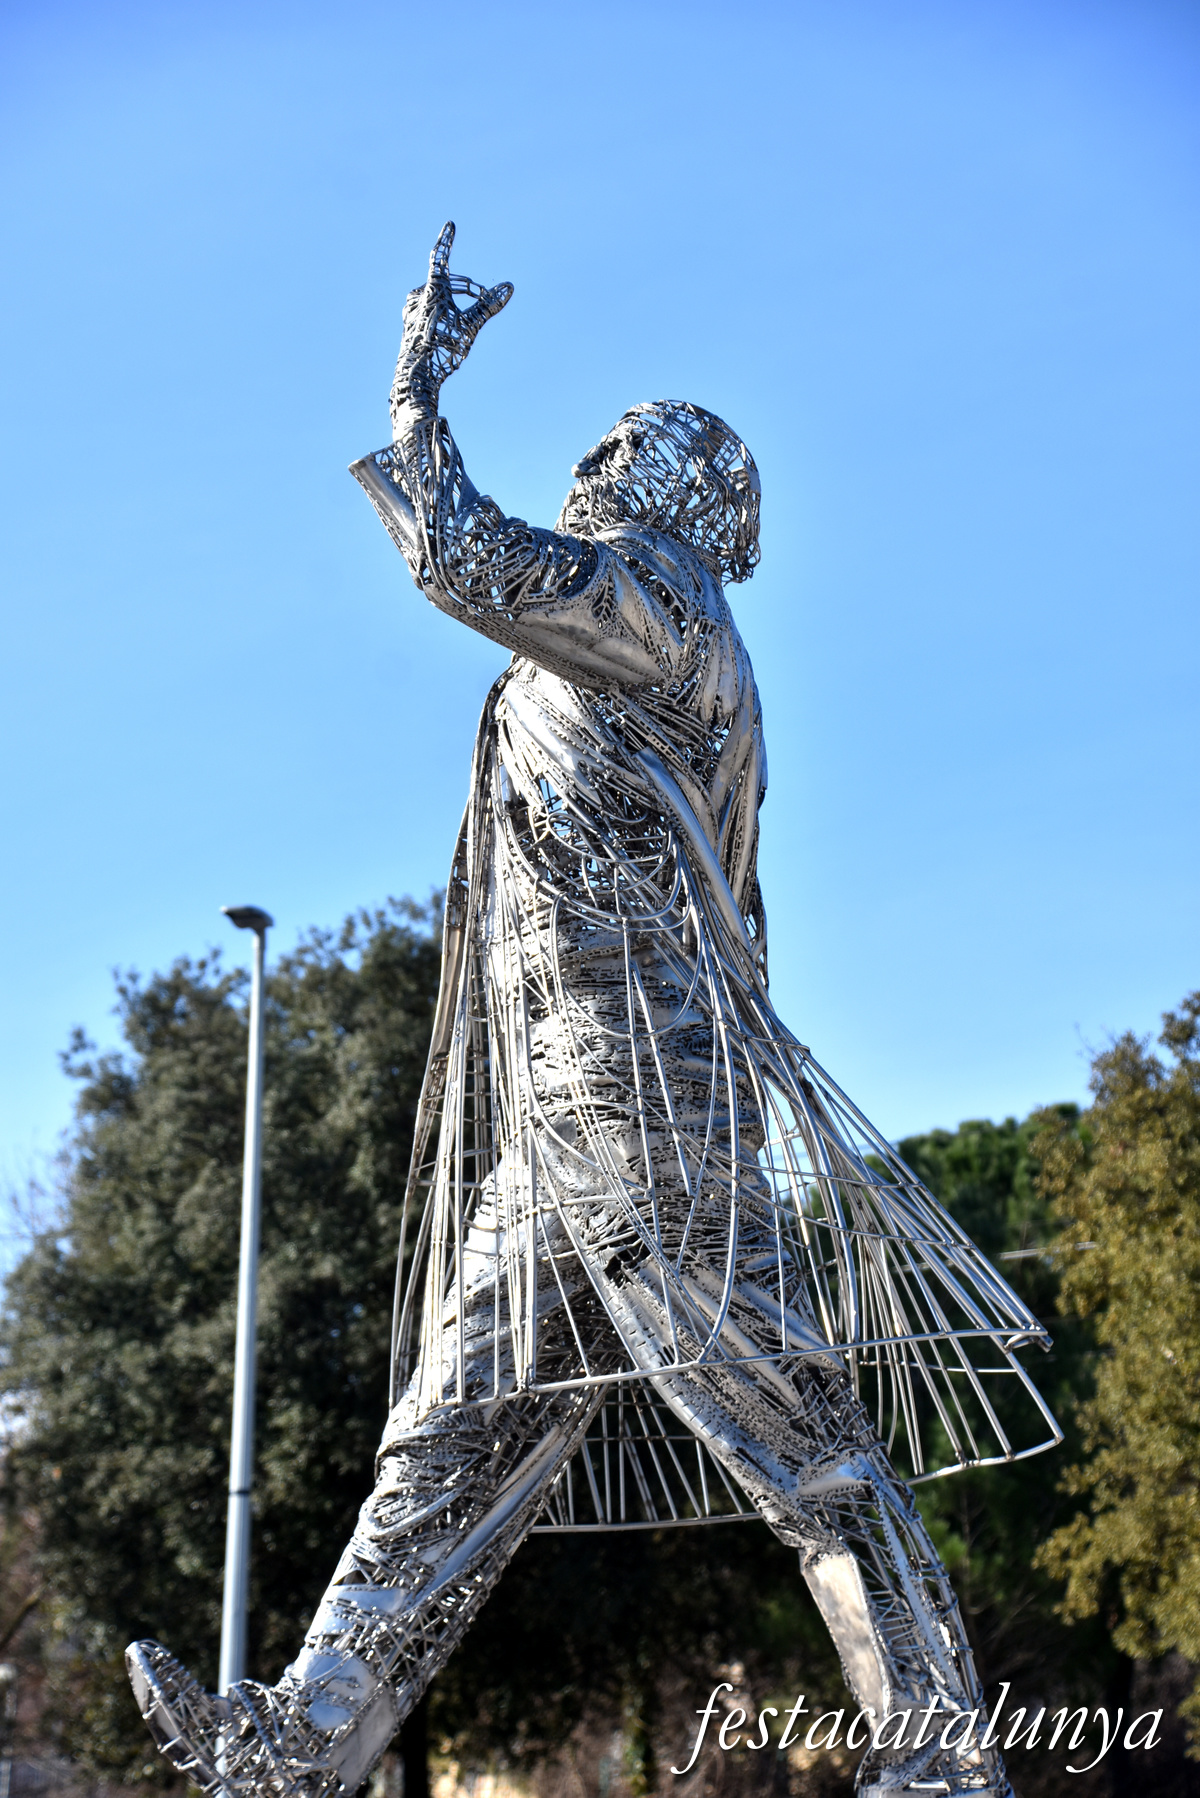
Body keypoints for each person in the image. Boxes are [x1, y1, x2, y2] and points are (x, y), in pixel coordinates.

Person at [127, 224, 1058, 1798]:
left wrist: (415, 385)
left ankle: (943, 1756)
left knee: (803, 1443)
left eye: (627, 446)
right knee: (443, 1448)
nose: (597, 456)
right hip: (560, 1140)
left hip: (652, 1118)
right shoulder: (627, 633)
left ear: (680, 491)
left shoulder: (659, 608)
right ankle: (299, 1742)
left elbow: (455, 558)